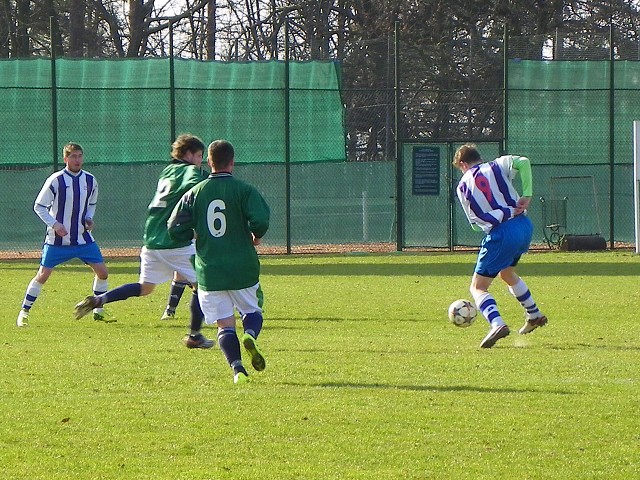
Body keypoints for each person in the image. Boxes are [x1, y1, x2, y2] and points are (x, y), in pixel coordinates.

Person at [74, 134, 213, 349]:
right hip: (173, 241)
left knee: (145, 288)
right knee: (202, 284)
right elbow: (198, 186)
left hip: (151, 239)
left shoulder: (167, 171)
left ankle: (99, 300)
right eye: (198, 155)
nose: (200, 160)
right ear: (188, 154)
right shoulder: (190, 171)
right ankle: (195, 336)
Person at [167, 140, 270, 384]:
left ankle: (238, 371)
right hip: (241, 266)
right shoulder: (244, 190)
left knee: (224, 325)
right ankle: (251, 335)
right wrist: (256, 234)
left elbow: (174, 227)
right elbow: (261, 218)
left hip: (209, 271)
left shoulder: (194, 193)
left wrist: (190, 234)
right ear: (232, 162)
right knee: (252, 310)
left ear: (208, 162)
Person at [452, 144, 548, 348]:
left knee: (478, 287)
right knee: (507, 274)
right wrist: (527, 194)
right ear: (479, 157)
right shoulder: (496, 166)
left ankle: (497, 323)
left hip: (502, 232)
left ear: (462, 164)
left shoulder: (463, 186)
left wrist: (496, 217)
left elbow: (475, 225)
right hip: (524, 226)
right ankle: (534, 315)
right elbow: (523, 162)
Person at [17, 142, 109, 327]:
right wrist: (55, 224)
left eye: (80, 156)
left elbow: (92, 203)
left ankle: (98, 311)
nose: (77, 160)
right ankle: (24, 313)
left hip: (83, 239)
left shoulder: (90, 180)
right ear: (65, 159)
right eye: (73, 156)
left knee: (103, 273)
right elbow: (39, 206)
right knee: (42, 275)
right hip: (57, 240)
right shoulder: (56, 180)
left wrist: (89, 218)